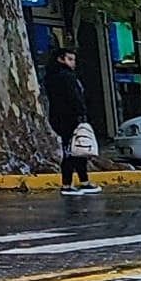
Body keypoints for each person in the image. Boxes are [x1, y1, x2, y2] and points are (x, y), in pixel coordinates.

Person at [40, 47, 98, 195]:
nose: (73, 63)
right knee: (75, 150)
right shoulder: (67, 77)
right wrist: (82, 114)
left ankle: (79, 181)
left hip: (59, 117)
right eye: (70, 59)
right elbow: (75, 98)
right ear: (61, 59)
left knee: (73, 149)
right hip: (70, 118)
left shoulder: (50, 77)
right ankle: (69, 183)